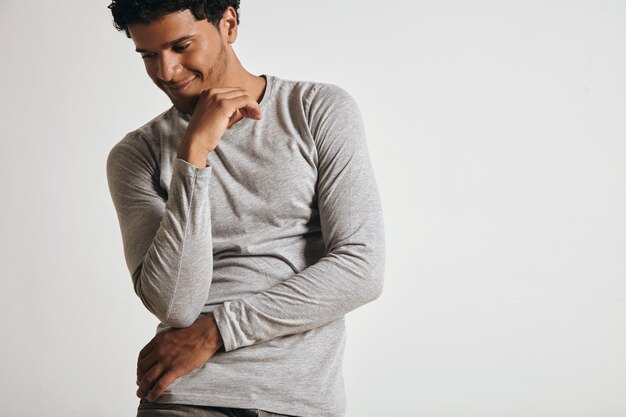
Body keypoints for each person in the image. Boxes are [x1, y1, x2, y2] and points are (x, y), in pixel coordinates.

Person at [105, 1, 385, 416]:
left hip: (299, 401)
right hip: (186, 399)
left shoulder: (315, 109)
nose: (165, 71)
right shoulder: (137, 155)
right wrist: (194, 154)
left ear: (229, 24)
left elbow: (361, 267)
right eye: (148, 55)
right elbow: (176, 303)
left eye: (181, 46)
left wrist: (217, 331)